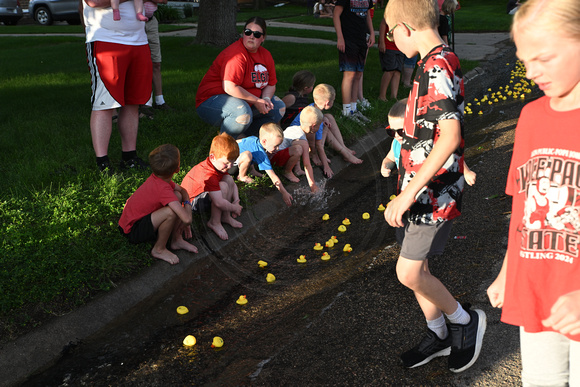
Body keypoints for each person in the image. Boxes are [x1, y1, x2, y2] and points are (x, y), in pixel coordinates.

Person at [384, 0, 486, 373]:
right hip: (416, 187)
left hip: (432, 191)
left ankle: (463, 321)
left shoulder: (438, 64)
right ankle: (438, 330)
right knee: (418, 268)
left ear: (405, 28)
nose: (390, 40)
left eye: (390, 32)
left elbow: (450, 136)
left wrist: (409, 193)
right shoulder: (429, 62)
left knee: (408, 273)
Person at [487, 0, 580, 384]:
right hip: (538, 290)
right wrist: (509, 271)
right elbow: (524, 206)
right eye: (525, 61)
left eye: (543, 58)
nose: (530, 72)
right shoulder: (531, 117)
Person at [82, 0, 152, 172]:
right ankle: (103, 163)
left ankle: (129, 157)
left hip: (139, 40)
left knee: (132, 102)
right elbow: (94, 1)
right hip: (106, 39)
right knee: (105, 103)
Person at [195, 17, 286, 139]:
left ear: (263, 38)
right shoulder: (236, 54)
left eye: (257, 34)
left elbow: (271, 84)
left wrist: (265, 99)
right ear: (243, 33)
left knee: (278, 107)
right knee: (241, 112)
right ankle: (224, 147)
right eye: (248, 32)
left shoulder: (266, 55)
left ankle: (247, 139)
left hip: (246, 100)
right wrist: (256, 101)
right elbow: (229, 87)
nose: (251, 36)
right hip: (211, 100)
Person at [118, 144, 198, 265]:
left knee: (177, 196)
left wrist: (184, 199)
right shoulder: (163, 190)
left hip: (132, 222)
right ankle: (159, 249)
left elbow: (182, 191)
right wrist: (187, 204)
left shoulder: (158, 179)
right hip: (132, 231)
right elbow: (187, 219)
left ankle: (176, 240)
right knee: (171, 212)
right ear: (177, 169)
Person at [381, 99, 476, 187]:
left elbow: (452, 153)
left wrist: (466, 172)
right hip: (409, 187)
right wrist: (385, 165)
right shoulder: (396, 143)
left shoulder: (428, 143)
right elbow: (390, 158)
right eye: (391, 131)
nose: (396, 135)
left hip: (434, 186)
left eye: (401, 131)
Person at [291, 83, 362, 178]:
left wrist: (324, 119)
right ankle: (316, 153)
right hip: (298, 139)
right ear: (328, 102)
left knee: (329, 117)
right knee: (323, 128)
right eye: (333, 100)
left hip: (303, 134)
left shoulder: (314, 108)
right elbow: (319, 145)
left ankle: (343, 147)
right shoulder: (315, 120)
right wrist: (326, 166)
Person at [181, 133, 242, 241]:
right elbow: (219, 202)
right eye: (226, 163)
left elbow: (231, 182)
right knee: (222, 186)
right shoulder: (208, 174)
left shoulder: (217, 165)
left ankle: (225, 216)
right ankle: (214, 222)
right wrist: (234, 208)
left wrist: (236, 200)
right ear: (212, 157)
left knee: (228, 179)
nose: (230, 166)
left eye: (233, 162)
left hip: (205, 195)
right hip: (191, 203)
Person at [333, 0, 374, 124]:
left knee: (358, 74)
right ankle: (346, 111)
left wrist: (372, 33)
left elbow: (367, 15)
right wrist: (340, 37)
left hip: (361, 38)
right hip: (348, 39)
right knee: (349, 74)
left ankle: (353, 108)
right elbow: (336, 15)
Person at [235, 123, 293, 206]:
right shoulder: (261, 154)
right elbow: (273, 176)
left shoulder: (254, 139)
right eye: (276, 146)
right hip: (229, 164)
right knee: (248, 155)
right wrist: (284, 192)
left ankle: (252, 171)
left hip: (227, 155)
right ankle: (242, 176)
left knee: (250, 153)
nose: (278, 149)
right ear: (264, 141)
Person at [271, 105, 321, 193]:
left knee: (296, 148)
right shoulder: (302, 140)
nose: (319, 127)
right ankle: (287, 171)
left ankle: (297, 169)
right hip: (274, 159)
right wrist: (313, 185)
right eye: (319, 125)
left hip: (272, 154)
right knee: (298, 149)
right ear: (313, 126)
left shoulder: (294, 128)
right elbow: (307, 165)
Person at [142, 0, 172, 113]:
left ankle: (160, 101)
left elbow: (164, 0)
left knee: (156, 62)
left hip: (151, 22)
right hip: (135, 22)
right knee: (142, 64)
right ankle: (144, 101)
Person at [378, 17, 405, 101]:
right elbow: (383, 24)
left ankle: (394, 96)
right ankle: (382, 96)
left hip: (400, 46)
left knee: (397, 71)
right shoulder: (393, 10)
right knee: (390, 70)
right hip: (389, 45)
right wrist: (382, 42)